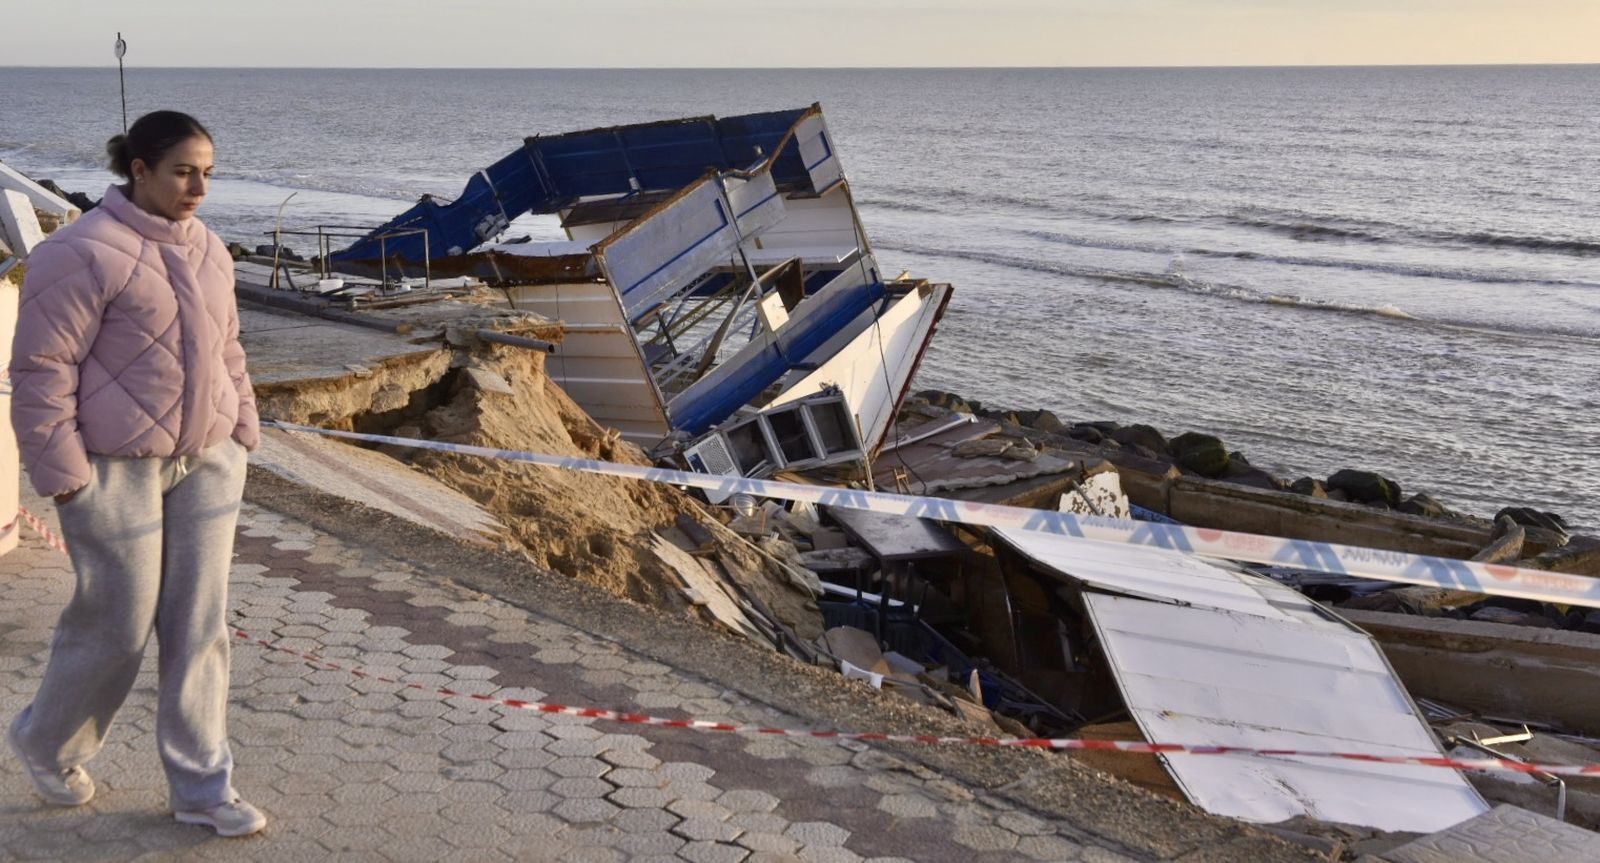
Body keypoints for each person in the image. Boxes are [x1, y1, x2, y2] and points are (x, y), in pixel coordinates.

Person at [7, 110, 265, 837]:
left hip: (209, 461)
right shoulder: (80, 251)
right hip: (113, 469)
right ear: (139, 169)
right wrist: (62, 472)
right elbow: (42, 370)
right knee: (116, 625)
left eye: (207, 173)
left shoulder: (211, 249)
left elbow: (229, 347)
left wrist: (242, 425)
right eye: (184, 172)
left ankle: (203, 788)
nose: (199, 188)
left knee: (200, 626)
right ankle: (47, 743)